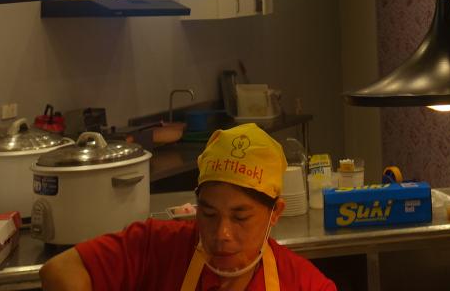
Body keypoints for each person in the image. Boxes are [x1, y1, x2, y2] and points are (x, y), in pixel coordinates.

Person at [41, 123, 335, 291]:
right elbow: (59, 270)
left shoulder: (305, 284)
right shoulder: (155, 246)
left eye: (240, 217)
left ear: (275, 213)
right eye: (208, 214)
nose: (221, 234)